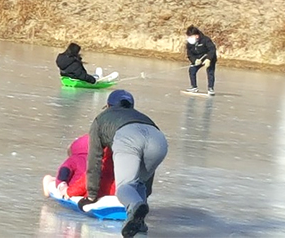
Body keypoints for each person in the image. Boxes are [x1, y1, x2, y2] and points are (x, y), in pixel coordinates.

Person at [79, 90, 168, 238]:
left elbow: (95, 159)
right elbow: (147, 177)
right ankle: (139, 223)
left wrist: (91, 196)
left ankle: (134, 206)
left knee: (124, 187)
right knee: (139, 182)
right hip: (158, 140)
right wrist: (146, 193)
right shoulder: (142, 116)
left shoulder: (101, 118)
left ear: (108, 105)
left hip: (128, 138)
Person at [42, 135, 116, 199]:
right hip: (104, 192)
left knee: (53, 182)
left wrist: (62, 186)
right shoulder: (108, 159)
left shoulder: (74, 159)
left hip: (77, 191)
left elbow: (63, 172)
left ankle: (48, 182)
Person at [185, 25, 217, 96]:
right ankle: (194, 87)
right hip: (198, 58)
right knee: (192, 70)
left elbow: (212, 49)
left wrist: (208, 59)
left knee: (210, 72)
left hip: (208, 57)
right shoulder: (189, 44)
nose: (189, 38)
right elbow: (189, 54)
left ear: (196, 36)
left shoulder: (205, 40)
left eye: (191, 36)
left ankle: (210, 88)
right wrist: (194, 60)